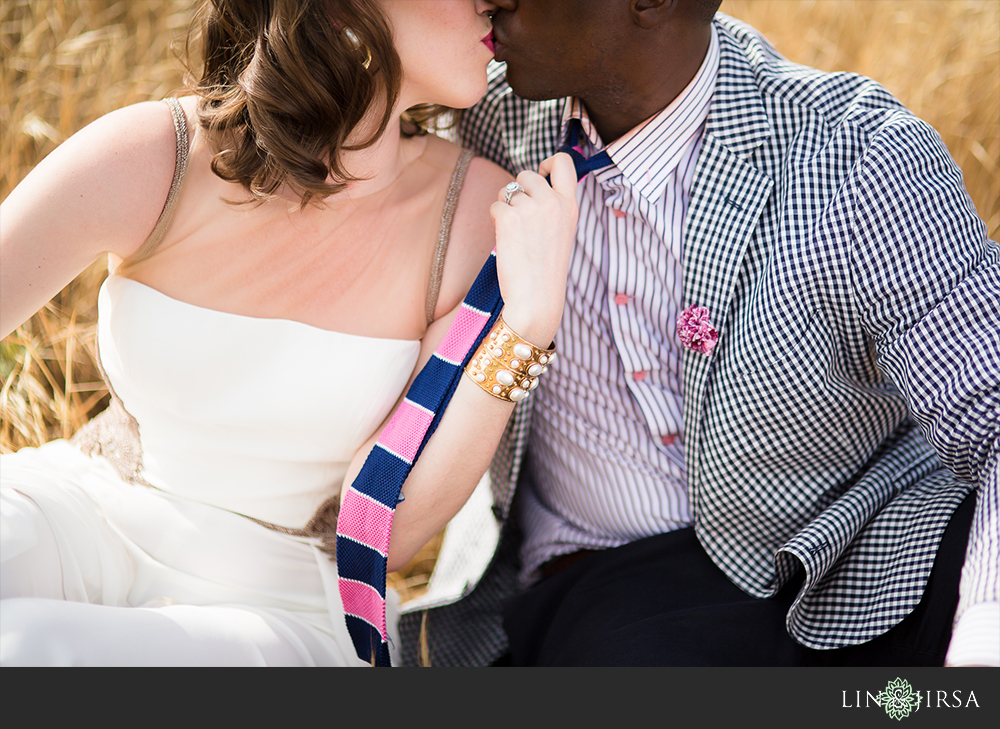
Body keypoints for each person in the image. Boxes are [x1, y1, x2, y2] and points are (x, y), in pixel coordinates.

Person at [396, 0, 999, 667]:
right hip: (613, 589)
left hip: (869, 541)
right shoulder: (469, 108)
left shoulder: (856, 156)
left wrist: (985, 632)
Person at [0, 0, 579, 666]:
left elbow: (393, 528)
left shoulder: (475, 214)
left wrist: (525, 329)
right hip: (85, 511)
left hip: (278, 601)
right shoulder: (166, 154)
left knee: (29, 649)